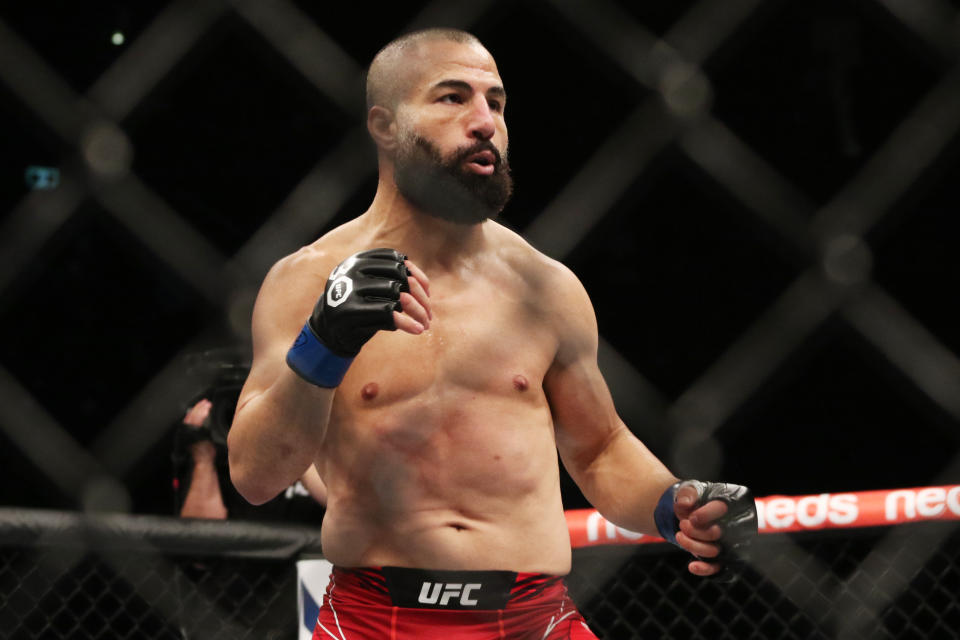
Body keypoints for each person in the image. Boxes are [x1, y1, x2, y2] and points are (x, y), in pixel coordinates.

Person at [228, 28, 758, 639]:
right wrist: (323, 343)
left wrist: (676, 503)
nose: (484, 122)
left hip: (536, 617)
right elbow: (255, 476)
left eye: (496, 103)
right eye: (452, 98)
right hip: (377, 619)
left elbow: (600, 450)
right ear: (385, 125)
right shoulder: (307, 281)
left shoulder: (546, 288)